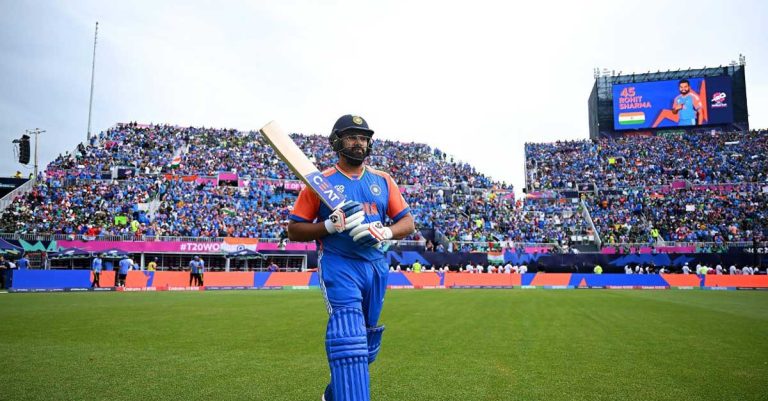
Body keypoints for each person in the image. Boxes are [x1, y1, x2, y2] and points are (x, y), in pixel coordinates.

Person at [286, 115, 415, 401]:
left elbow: (407, 222)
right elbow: (294, 229)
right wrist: (329, 226)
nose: (359, 143)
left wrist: (385, 231)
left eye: (363, 138)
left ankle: (332, 395)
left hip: (376, 266)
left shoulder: (383, 180)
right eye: (351, 137)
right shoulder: (320, 183)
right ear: (337, 141)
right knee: (349, 337)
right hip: (339, 264)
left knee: (366, 344)